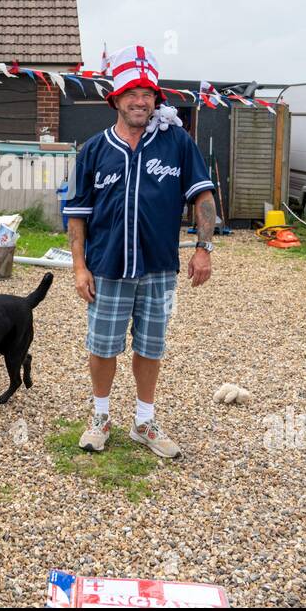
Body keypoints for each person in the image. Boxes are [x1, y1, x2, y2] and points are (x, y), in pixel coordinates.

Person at [62, 45, 217, 459]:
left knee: (151, 347)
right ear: (115, 98)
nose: (140, 100)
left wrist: (204, 248)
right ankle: (100, 417)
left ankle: (143, 422)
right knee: (102, 346)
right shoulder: (94, 150)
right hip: (107, 267)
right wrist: (79, 268)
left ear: (156, 100)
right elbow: (76, 216)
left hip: (158, 269)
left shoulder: (177, 143)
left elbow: (202, 197)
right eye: (132, 92)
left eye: (148, 93)